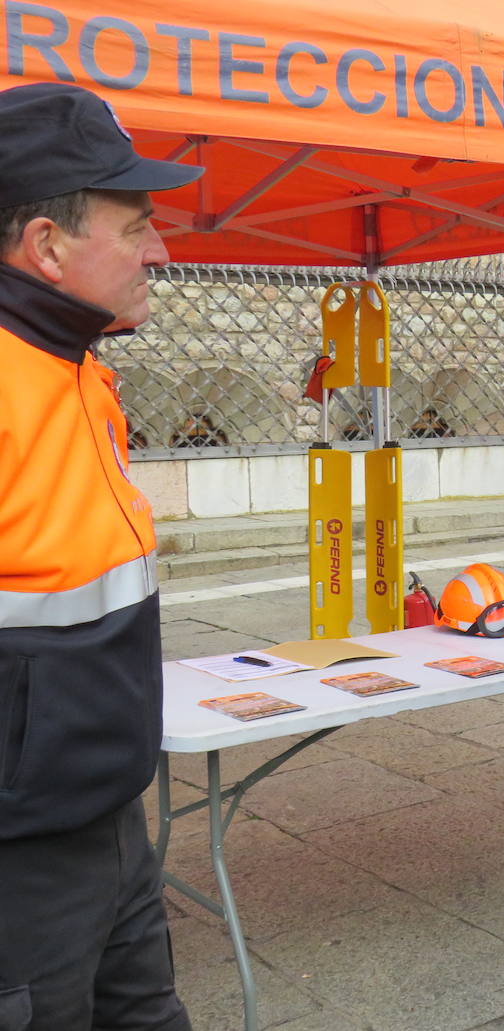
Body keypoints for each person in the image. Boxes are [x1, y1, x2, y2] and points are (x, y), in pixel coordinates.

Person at [0, 83, 202, 1028]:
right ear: (46, 245)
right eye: (137, 226)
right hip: (23, 859)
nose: (161, 250)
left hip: (109, 816)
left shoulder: (80, 369)